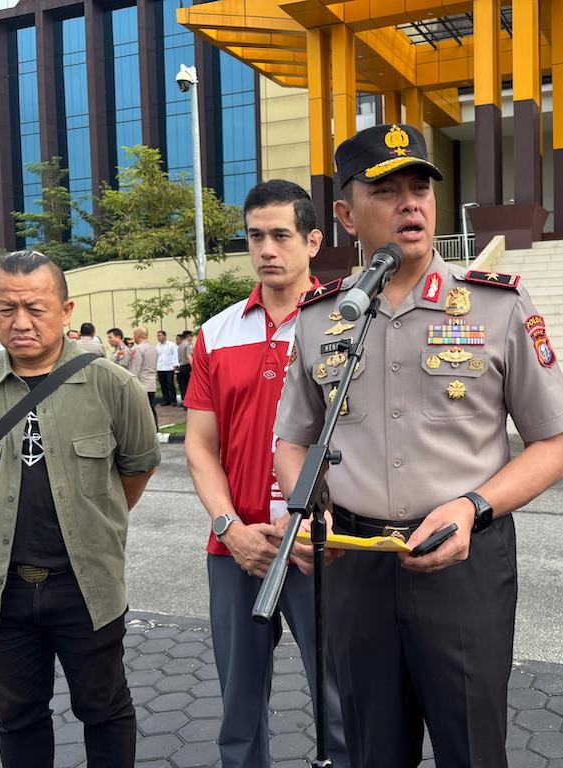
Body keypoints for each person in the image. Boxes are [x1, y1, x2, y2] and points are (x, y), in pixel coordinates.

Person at [272, 123, 563, 768]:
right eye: (387, 192)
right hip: (354, 563)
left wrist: (474, 506)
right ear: (345, 214)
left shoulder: (496, 306)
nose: (410, 204)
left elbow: (554, 445)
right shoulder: (319, 318)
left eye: (420, 189)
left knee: (470, 746)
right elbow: (292, 438)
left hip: (462, 562)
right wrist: (310, 509)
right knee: (371, 749)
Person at [0, 249, 160, 768]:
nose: (21, 321)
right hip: (1, 592)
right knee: (19, 718)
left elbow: (138, 465)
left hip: (87, 589)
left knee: (104, 710)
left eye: (36, 307)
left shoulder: (111, 384)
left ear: (66, 309)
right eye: (6, 308)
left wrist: (92, 518)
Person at [184, 179, 350, 768]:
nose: (267, 249)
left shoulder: (347, 326)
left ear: (313, 240)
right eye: (255, 236)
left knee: (340, 706)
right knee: (238, 711)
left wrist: (327, 522)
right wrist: (229, 527)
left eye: (281, 235)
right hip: (236, 549)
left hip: (321, 547)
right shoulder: (217, 333)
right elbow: (200, 447)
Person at [129, 326, 159, 428]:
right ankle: (155, 428)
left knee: (140, 411)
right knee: (151, 408)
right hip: (152, 383)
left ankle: (144, 430)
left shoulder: (137, 349)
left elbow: (135, 368)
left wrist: (132, 383)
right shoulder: (153, 348)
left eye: (134, 335)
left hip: (141, 384)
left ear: (138, 335)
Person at [155, 330, 179, 406]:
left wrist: (175, 365)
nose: (158, 337)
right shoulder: (157, 346)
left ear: (164, 336)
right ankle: (166, 400)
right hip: (160, 368)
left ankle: (173, 400)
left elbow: (175, 355)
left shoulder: (171, 345)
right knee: (163, 385)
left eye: (160, 335)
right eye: (157, 336)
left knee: (170, 384)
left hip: (169, 368)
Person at [177, 329, 194, 406]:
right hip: (188, 366)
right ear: (188, 336)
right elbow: (189, 356)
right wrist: (194, 367)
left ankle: (184, 401)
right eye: (191, 336)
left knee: (183, 386)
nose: (192, 338)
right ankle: (189, 402)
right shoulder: (188, 345)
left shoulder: (180, 345)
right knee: (189, 385)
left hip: (181, 366)